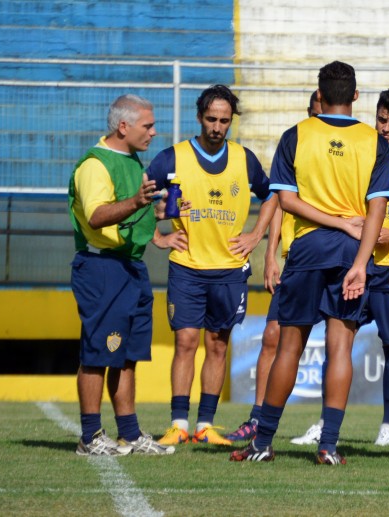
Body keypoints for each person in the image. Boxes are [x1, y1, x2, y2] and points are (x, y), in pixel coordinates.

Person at [230, 60, 389, 465]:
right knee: (341, 348)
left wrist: (332, 223)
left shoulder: (296, 136)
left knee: (290, 347)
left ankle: (262, 442)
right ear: (356, 96)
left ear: (319, 95)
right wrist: (360, 258)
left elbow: (286, 200)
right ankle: (329, 446)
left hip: (306, 251)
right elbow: (377, 209)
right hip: (351, 255)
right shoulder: (374, 142)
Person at [146, 85, 277, 447]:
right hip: (187, 265)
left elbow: (272, 197)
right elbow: (140, 196)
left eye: (224, 120)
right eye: (211, 119)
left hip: (229, 269)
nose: (217, 127)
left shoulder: (244, 158)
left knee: (218, 345)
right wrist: (156, 236)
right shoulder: (172, 158)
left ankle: (205, 425)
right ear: (199, 117)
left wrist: (256, 236)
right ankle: (178, 423)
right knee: (186, 341)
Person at [290, 87, 389, 447]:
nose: (385, 128)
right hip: (354, 262)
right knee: (337, 342)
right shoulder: (361, 146)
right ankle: (324, 422)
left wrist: (388, 233)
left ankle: (388, 425)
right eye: (381, 119)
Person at [68, 94, 175, 455]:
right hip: (101, 268)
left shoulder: (132, 161)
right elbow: (98, 216)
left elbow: (129, 214)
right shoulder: (95, 165)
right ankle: (90, 436)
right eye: (148, 125)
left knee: (128, 353)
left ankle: (129, 433)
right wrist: (138, 203)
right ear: (123, 126)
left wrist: (157, 226)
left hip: (130, 266)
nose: (154, 132)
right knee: (99, 351)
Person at [225, 91, 324, 444]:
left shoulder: (351, 145)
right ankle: (259, 418)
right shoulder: (296, 141)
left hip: (338, 257)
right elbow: (280, 199)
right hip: (296, 259)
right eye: (313, 111)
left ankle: (330, 427)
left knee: (341, 342)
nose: (317, 116)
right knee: (272, 337)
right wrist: (268, 253)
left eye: (322, 110)